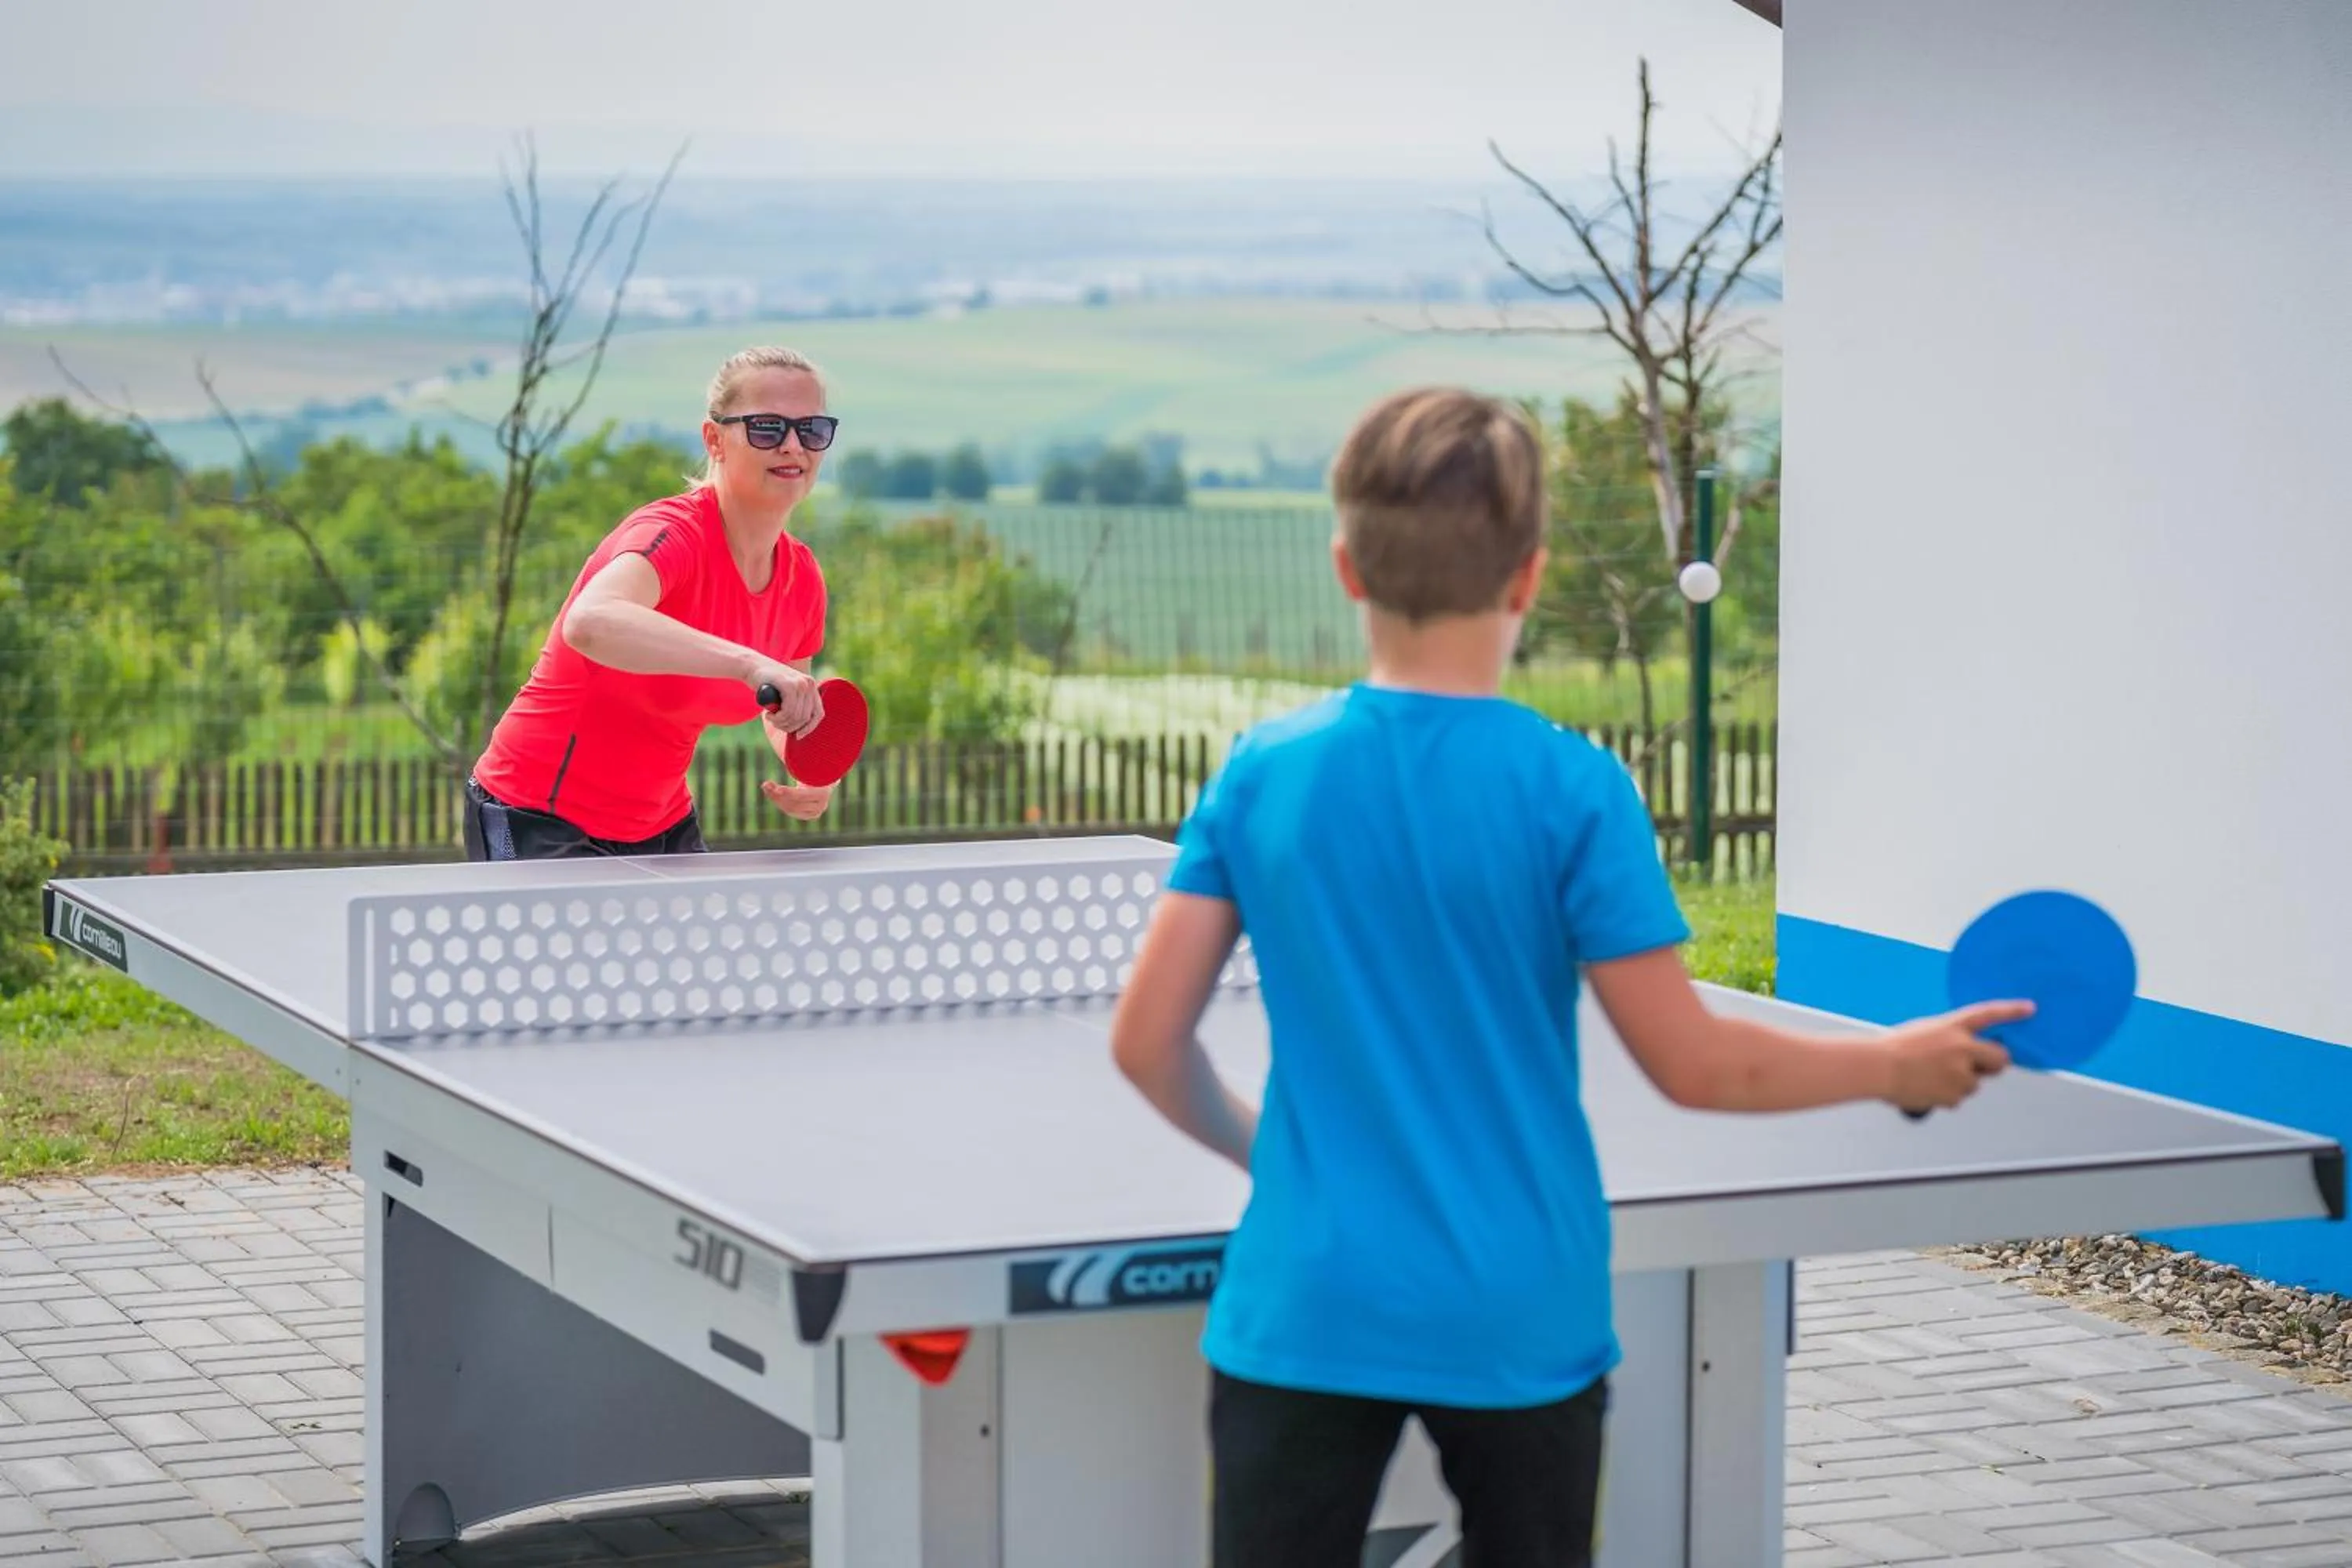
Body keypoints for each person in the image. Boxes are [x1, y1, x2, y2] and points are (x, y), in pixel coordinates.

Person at [1106, 386, 2024, 1568]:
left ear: (1347, 568)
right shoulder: (1574, 790)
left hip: (1309, 1296)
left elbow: (1146, 1043)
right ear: (1529, 577)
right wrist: (1893, 1064)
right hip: (1521, 1301)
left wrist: (1272, 1154)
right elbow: (1695, 1065)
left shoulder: (1263, 772)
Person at [463, 346, 844, 862]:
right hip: (537, 813)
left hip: (661, 822)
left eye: (812, 430)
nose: (793, 446)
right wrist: (748, 663)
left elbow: (786, 705)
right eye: (767, 428)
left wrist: (810, 767)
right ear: (715, 439)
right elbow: (590, 622)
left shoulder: (802, 579)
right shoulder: (672, 535)